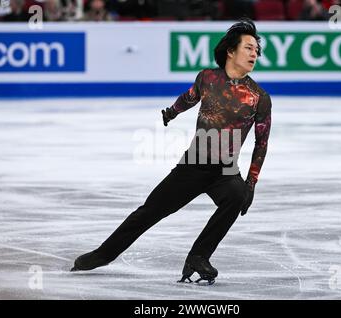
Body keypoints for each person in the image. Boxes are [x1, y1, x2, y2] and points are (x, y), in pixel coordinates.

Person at [70, 19, 272, 285]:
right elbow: (189, 97)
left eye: (256, 50)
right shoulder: (208, 78)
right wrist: (171, 113)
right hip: (194, 164)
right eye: (248, 48)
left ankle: (199, 257)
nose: (254, 54)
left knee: (236, 195)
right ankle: (103, 254)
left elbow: (261, 143)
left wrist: (250, 184)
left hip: (226, 169)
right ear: (230, 52)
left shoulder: (259, 97)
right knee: (149, 212)